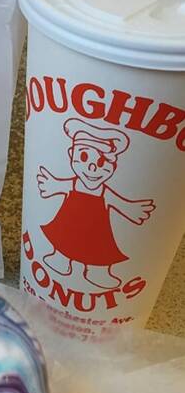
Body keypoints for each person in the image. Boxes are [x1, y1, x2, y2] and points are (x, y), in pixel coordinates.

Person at [37, 118, 155, 289]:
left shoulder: (103, 192)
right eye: (84, 157)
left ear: (113, 166)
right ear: (71, 154)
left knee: (98, 249)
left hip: (97, 228)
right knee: (63, 239)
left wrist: (131, 209)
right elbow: (61, 185)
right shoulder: (75, 184)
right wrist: (52, 184)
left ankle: (97, 272)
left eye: (101, 162)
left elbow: (118, 202)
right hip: (70, 221)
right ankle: (60, 260)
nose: (92, 168)